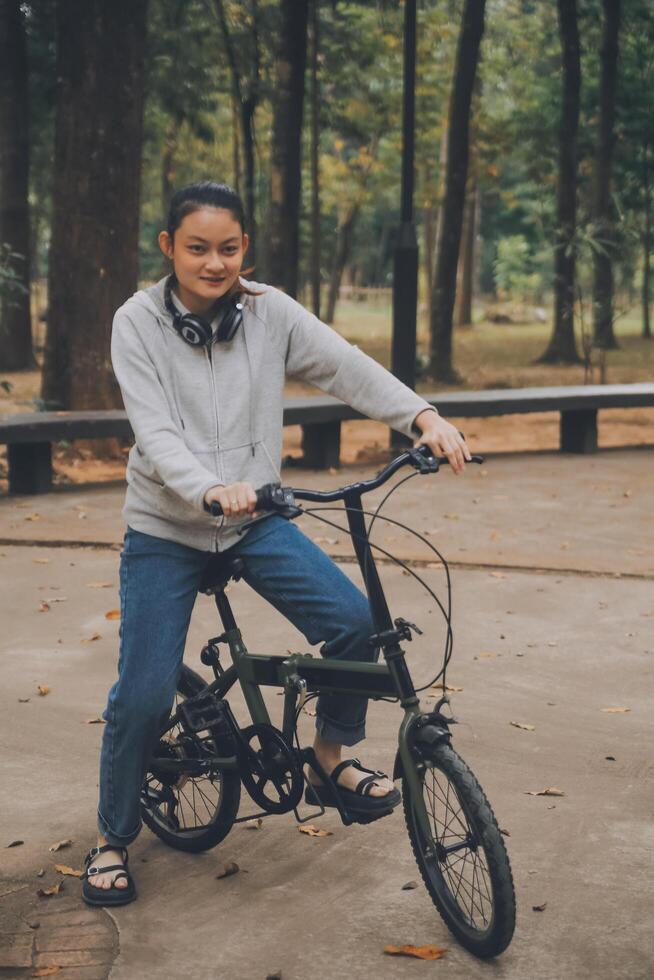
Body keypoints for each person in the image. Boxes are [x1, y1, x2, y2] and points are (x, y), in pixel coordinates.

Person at [81, 180, 471, 906]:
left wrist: (422, 416)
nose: (214, 262)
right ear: (169, 248)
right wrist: (204, 487)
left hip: (254, 520)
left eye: (228, 248)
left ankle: (327, 761)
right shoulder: (136, 322)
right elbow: (156, 432)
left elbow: (346, 365)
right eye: (197, 248)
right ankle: (112, 837)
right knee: (141, 696)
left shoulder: (269, 313)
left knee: (355, 622)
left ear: (244, 250)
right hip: (168, 528)